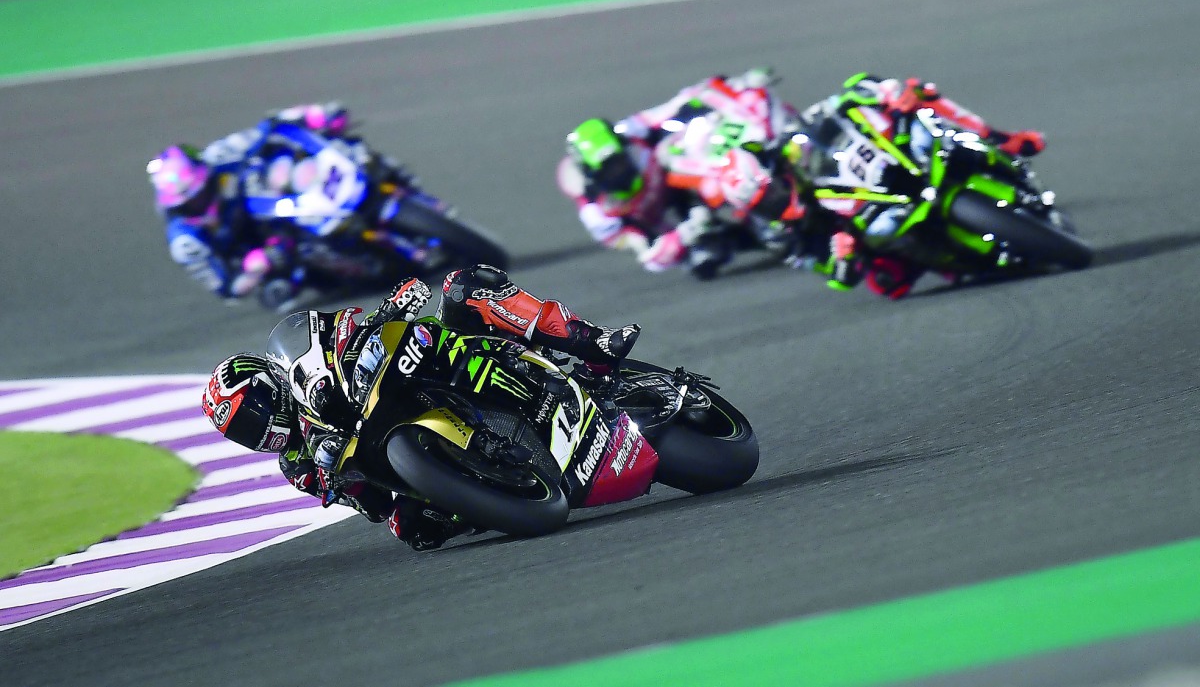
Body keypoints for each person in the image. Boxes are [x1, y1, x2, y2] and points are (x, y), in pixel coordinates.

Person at [201, 264, 641, 551]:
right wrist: (346, 483)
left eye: (252, 413)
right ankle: (504, 483)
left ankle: (592, 343)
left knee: (465, 285)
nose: (258, 430)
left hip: (439, 360)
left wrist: (389, 309)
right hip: (397, 447)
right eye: (243, 430)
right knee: (413, 530)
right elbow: (372, 505)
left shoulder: (313, 372)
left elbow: (344, 330)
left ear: (270, 383)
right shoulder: (297, 463)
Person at [794, 73, 1049, 298]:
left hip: (905, 156)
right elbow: (838, 277)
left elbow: (872, 85)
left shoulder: (848, 104)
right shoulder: (808, 209)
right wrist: (844, 256)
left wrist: (895, 95)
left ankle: (1004, 142)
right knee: (886, 281)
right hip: (889, 208)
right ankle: (969, 258)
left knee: (926, 97)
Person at [147, 102, 411, 305]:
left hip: (272, 201)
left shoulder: (219, 155)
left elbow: (269, 127)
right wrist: (253, 272)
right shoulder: (186, 243)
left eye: (201, 193)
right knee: (278, 293)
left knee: (344, 149)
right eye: (190, 203)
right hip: (262, 250)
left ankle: (399, 183)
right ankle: (357, 265)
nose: (199, 203)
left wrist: (314, 115)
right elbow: (227, 288)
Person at [559, 68, 811, 278]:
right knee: (704, 257)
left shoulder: (632, 132)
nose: (620, 170)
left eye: (620, 161)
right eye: (609, 169)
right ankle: (766, 235)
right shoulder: (598, 214)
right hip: (676, 222)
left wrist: (735, 86)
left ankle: (769, 172)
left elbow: (679, 104)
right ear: (592, 174)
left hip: (685, 182)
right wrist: (681, 235)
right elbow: (648, 256)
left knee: (695, 144)